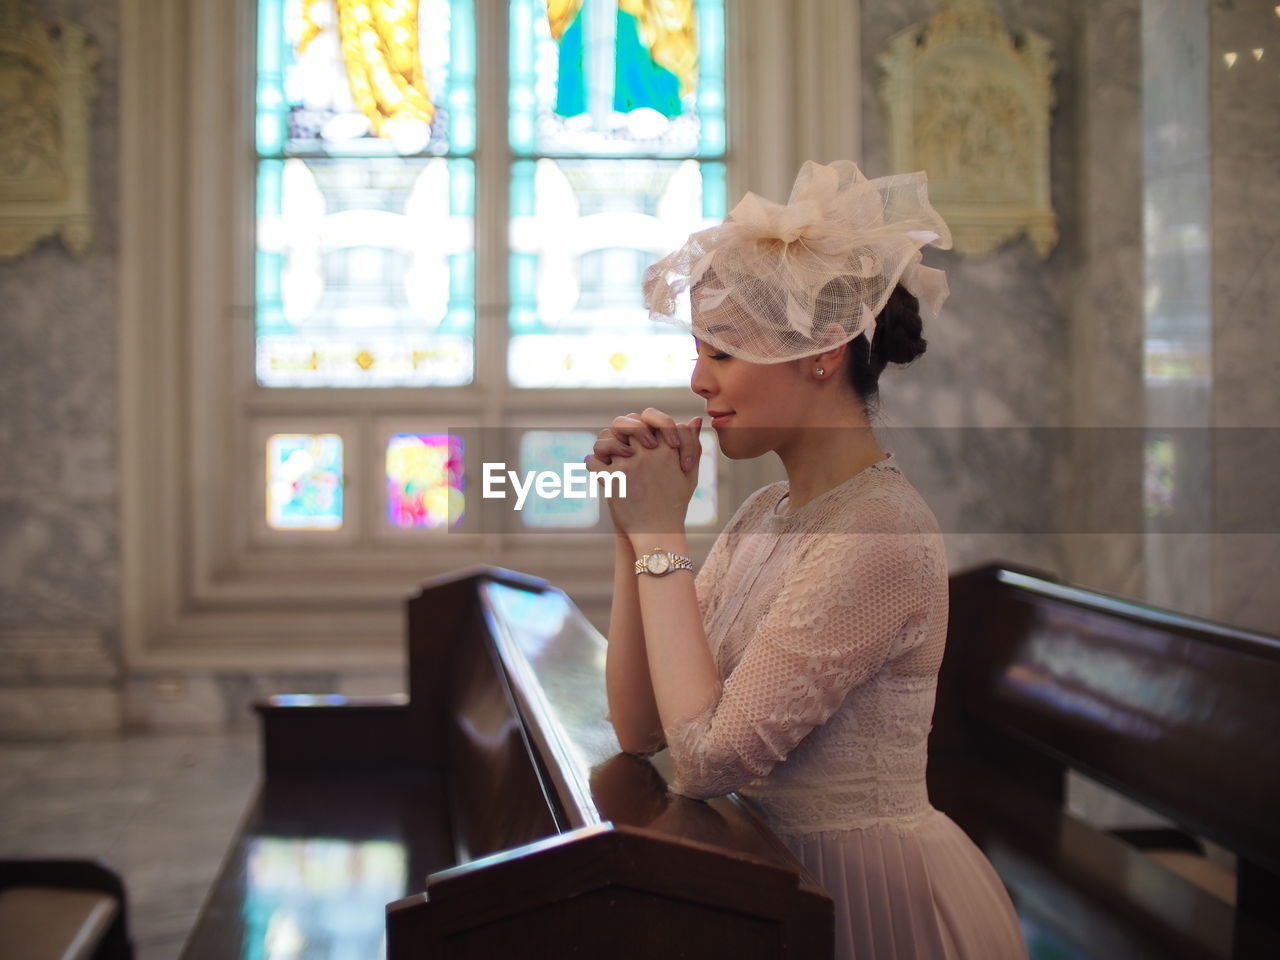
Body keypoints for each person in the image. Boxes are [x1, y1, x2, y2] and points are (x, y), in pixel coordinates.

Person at [585, 160, 1029, 959]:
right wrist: (633, 528)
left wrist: (662, 539)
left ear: (820, 353)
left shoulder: (879, 533)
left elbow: (706, 762)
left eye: (721, 353)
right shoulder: (765, 516)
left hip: (862, 900)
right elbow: (640, 728)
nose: (696, 381)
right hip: (760, 880)